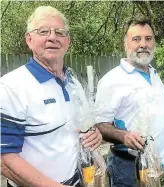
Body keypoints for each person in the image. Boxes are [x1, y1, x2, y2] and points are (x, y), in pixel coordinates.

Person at [0, 6, 102, 187]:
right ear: (29, 39)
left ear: (67, 41)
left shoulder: (74, 83)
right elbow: (5, 159)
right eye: (43, 31)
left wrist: (95, 135)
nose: (52, 37)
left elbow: (80, 129)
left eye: (59, 32)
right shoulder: (11, 86)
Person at [93, 17, 164, 187]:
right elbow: (99, 124)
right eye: (136, 39)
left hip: (158, 164)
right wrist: (124, 136)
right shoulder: (112, 80)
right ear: (126, 44)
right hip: (128, 167)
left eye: (148, 39)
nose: (143, 44)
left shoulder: (155, 75)